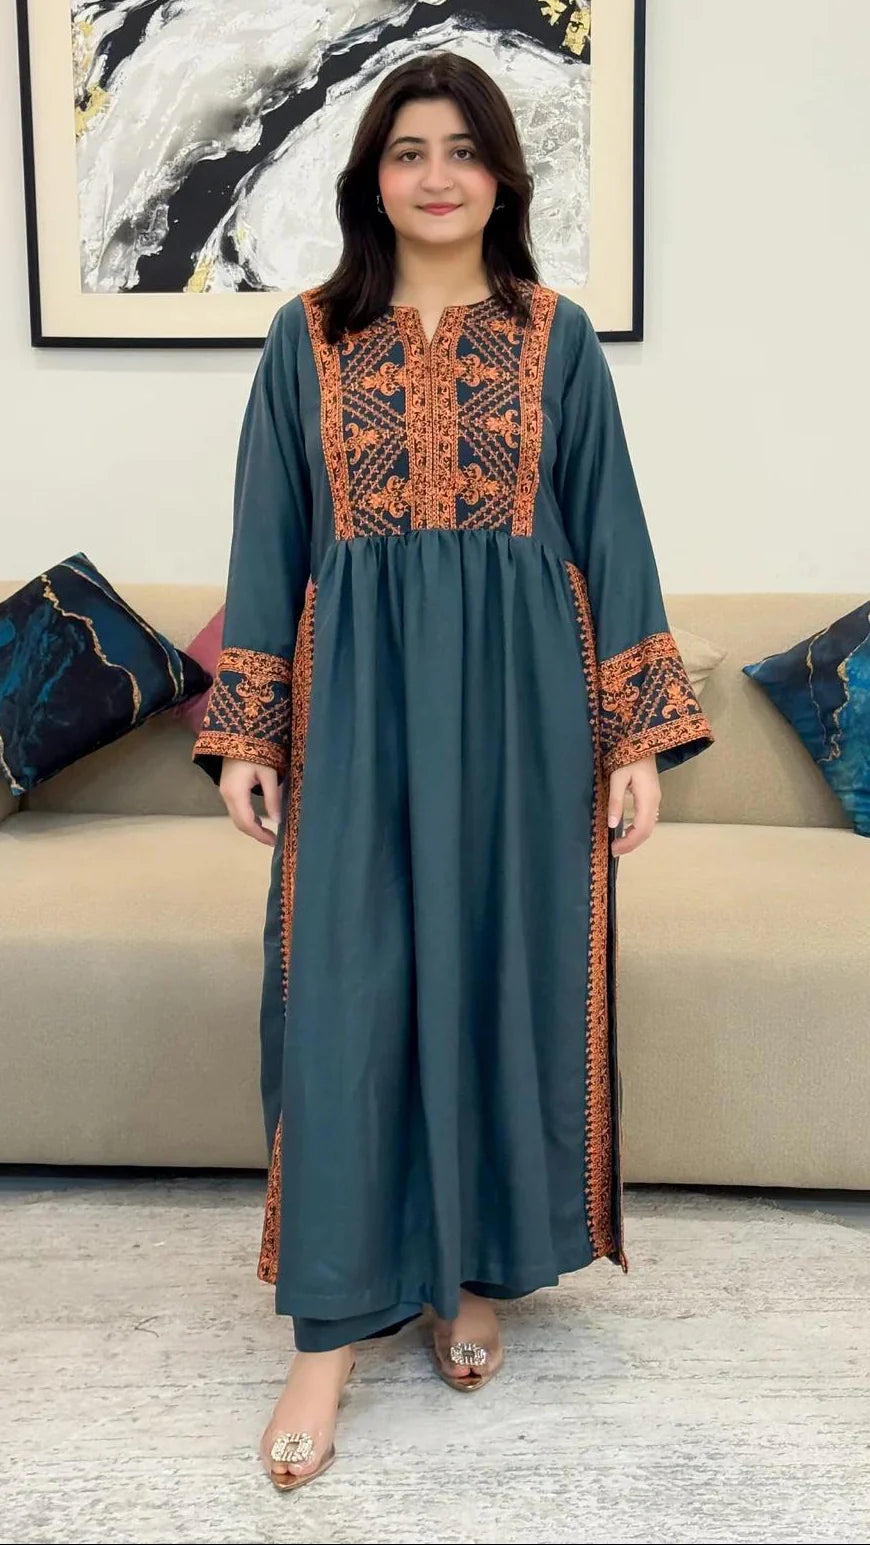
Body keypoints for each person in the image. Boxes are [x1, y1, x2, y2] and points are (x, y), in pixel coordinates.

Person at [192, 50, 715, 1493]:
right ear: (371, 179)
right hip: (356, 707)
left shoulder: (556, 339)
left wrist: (633, 739)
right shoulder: (306, 339)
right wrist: (250, 733)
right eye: (408, 151)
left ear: (502, 176)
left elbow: (610, 531)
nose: (437, 176)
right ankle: (328, 1334)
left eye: (463, 150)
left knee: (498, 981)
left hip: (526, 711)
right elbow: (267, 535)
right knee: (342, 999)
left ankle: (469, 1271)